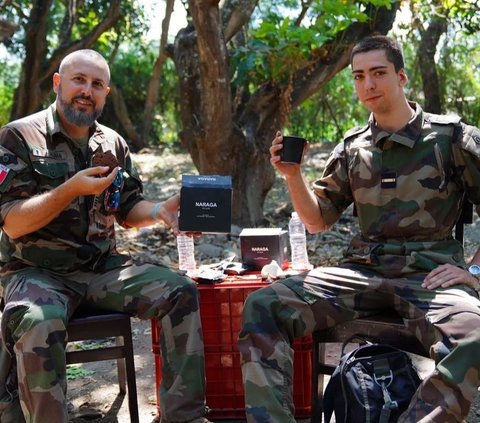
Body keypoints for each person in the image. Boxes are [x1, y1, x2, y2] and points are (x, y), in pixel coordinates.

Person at [238, 35, 480, 422]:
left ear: (401, 77)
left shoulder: (450, 138)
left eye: (379, 73)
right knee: (263, 305)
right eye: (359, 76)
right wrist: (292, 175)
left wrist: (473, 272)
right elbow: (317, 221)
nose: (368, 84)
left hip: (429, 276)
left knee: (475, 335)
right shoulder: (353, 147)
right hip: (362, 271)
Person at [0, 49, 212, 423]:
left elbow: (128, 208)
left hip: (101, 269)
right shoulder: (18, 137)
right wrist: (68, 189)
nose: (87, 90)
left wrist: (160, 212)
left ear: (106, 93)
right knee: (39, 320)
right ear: (58, 83)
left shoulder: (112, 143)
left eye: (97, 84)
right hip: (36, 272)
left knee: (180, 290)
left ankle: (185, 416)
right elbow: (12, 223)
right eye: (79, 80)